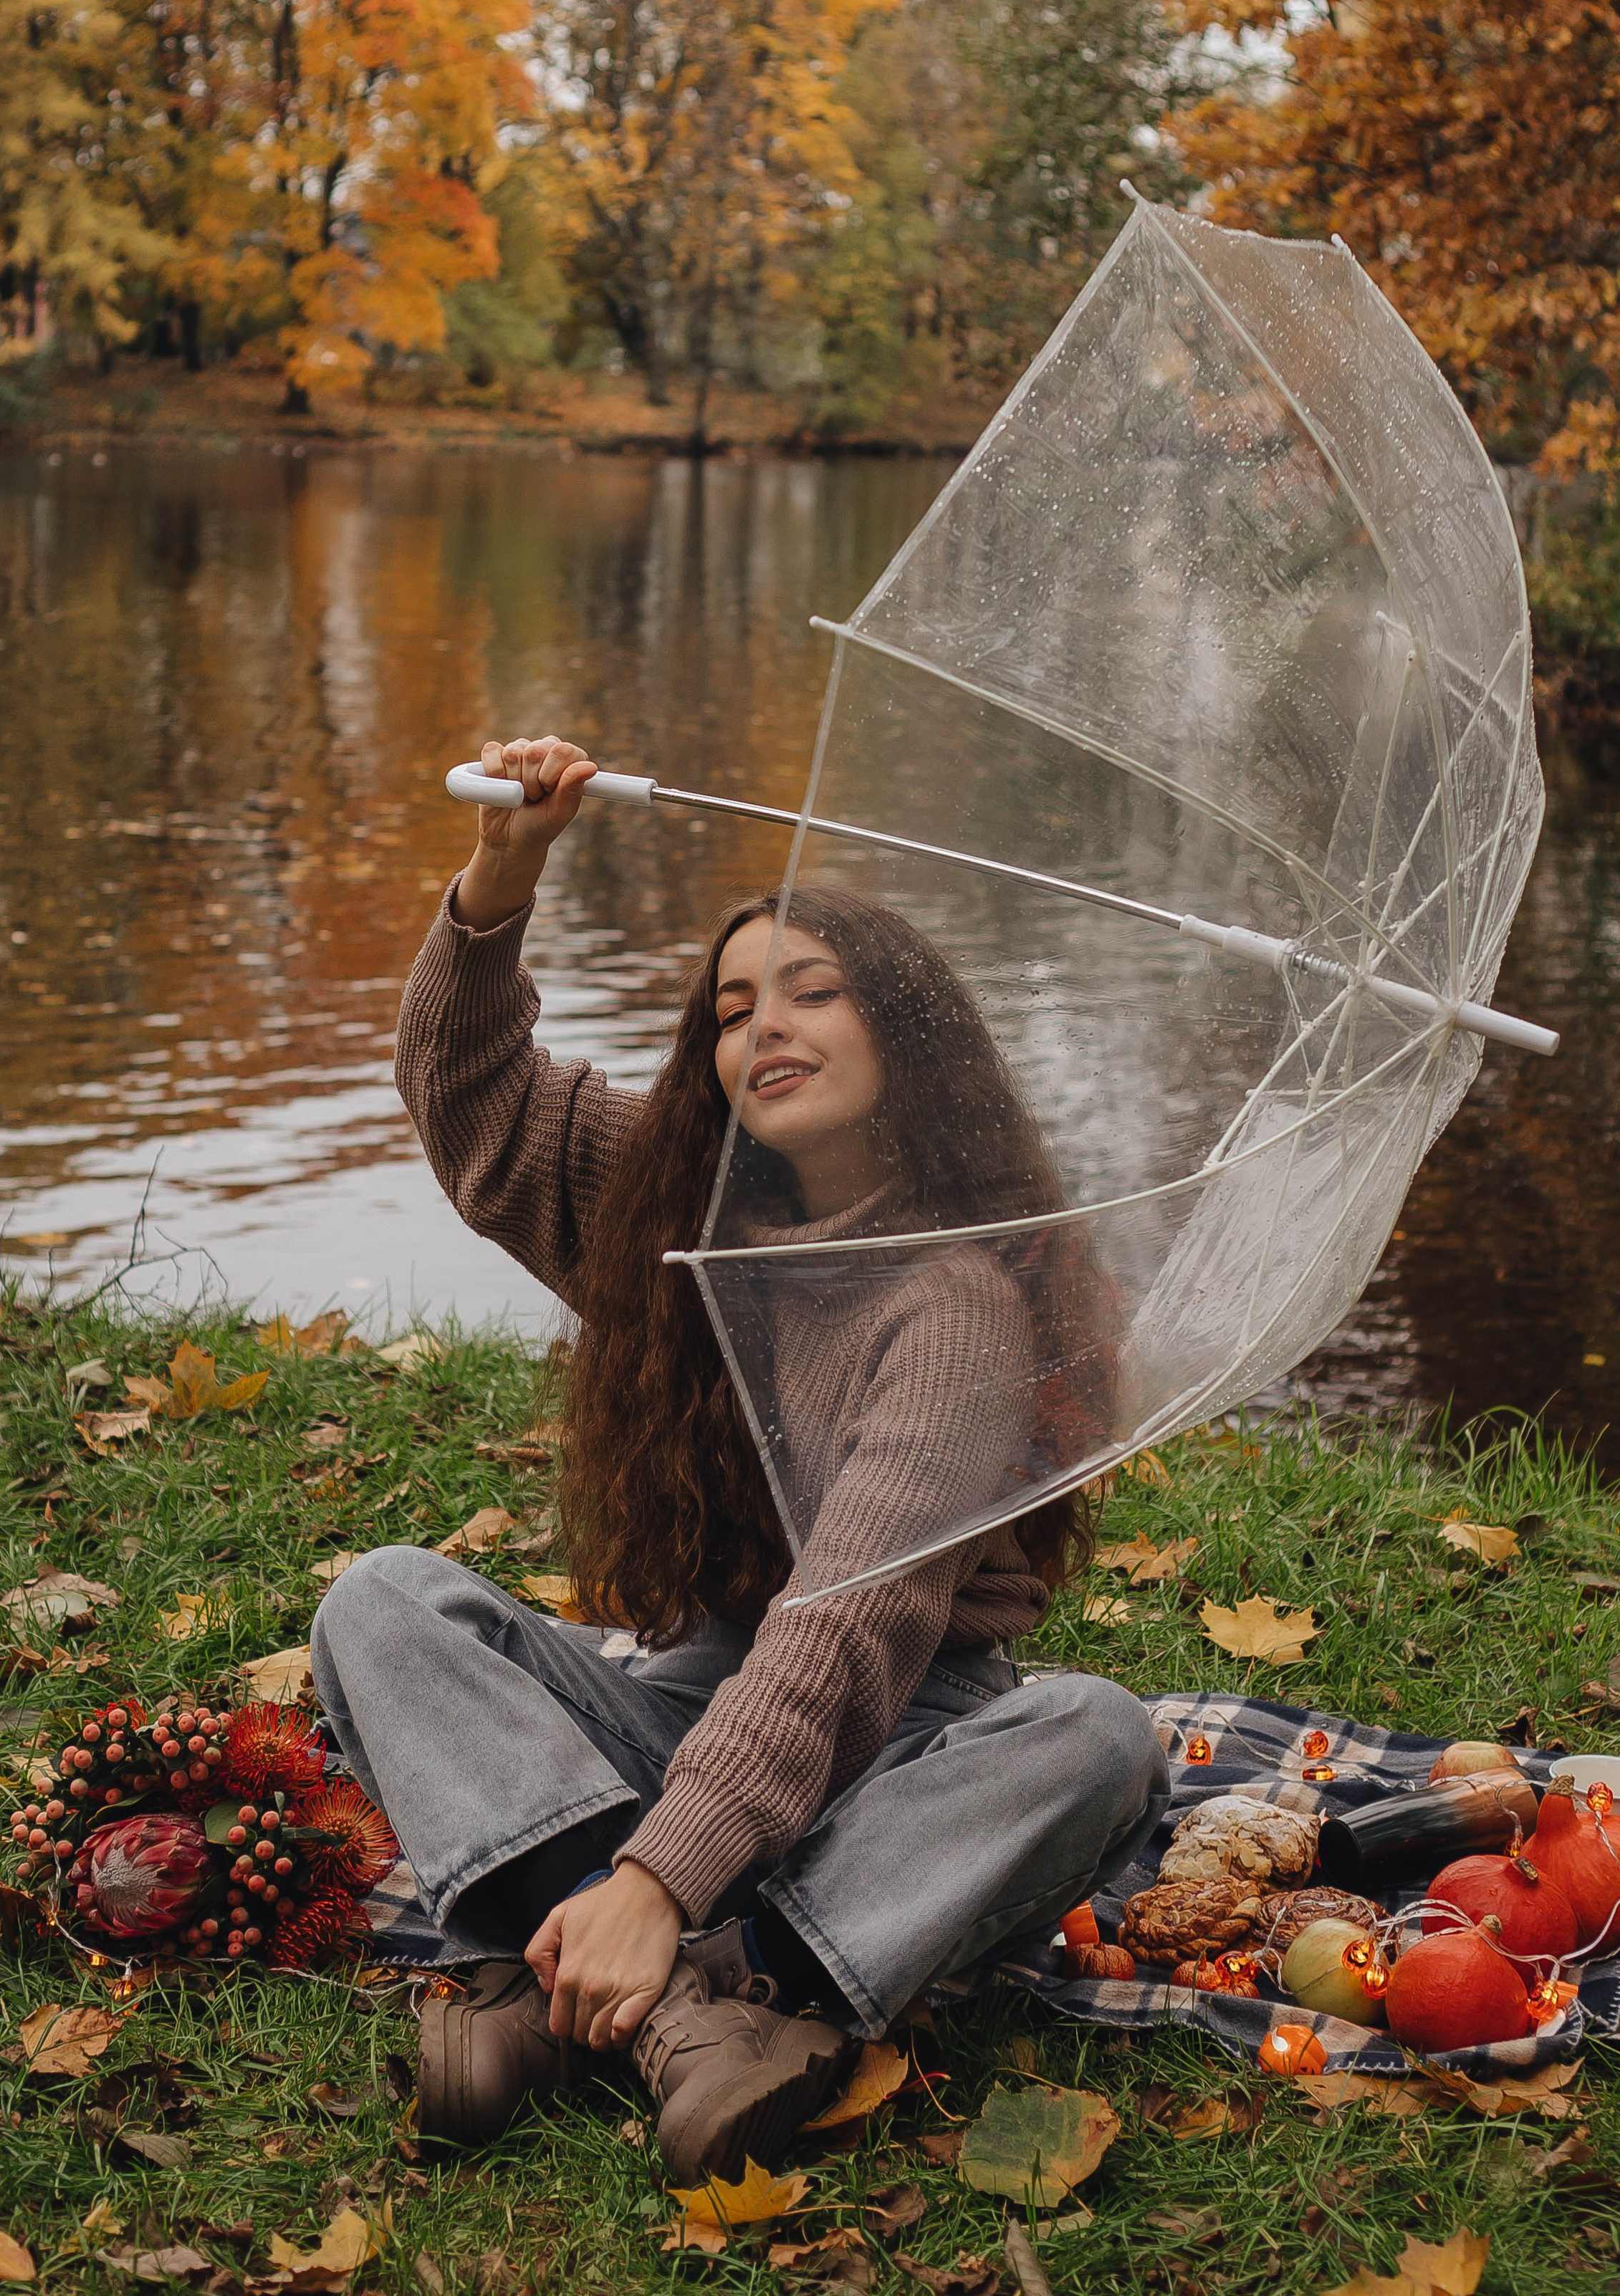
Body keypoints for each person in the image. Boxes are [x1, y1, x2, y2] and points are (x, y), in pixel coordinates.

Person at [312, 736, 1167, 2184]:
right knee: (382, 1599)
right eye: (731, 1008)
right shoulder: (680, 1211)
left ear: (908, 1034)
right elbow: (476, 1105)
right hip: (681, 1707)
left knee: (1093, 1738)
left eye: (813, 992)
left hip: (894, 1746)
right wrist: (503, 874)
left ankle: (695, 1967)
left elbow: (844, 1627)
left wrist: (657, 1879)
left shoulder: (957, 1305)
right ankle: (681, 2015)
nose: (763, 1024)